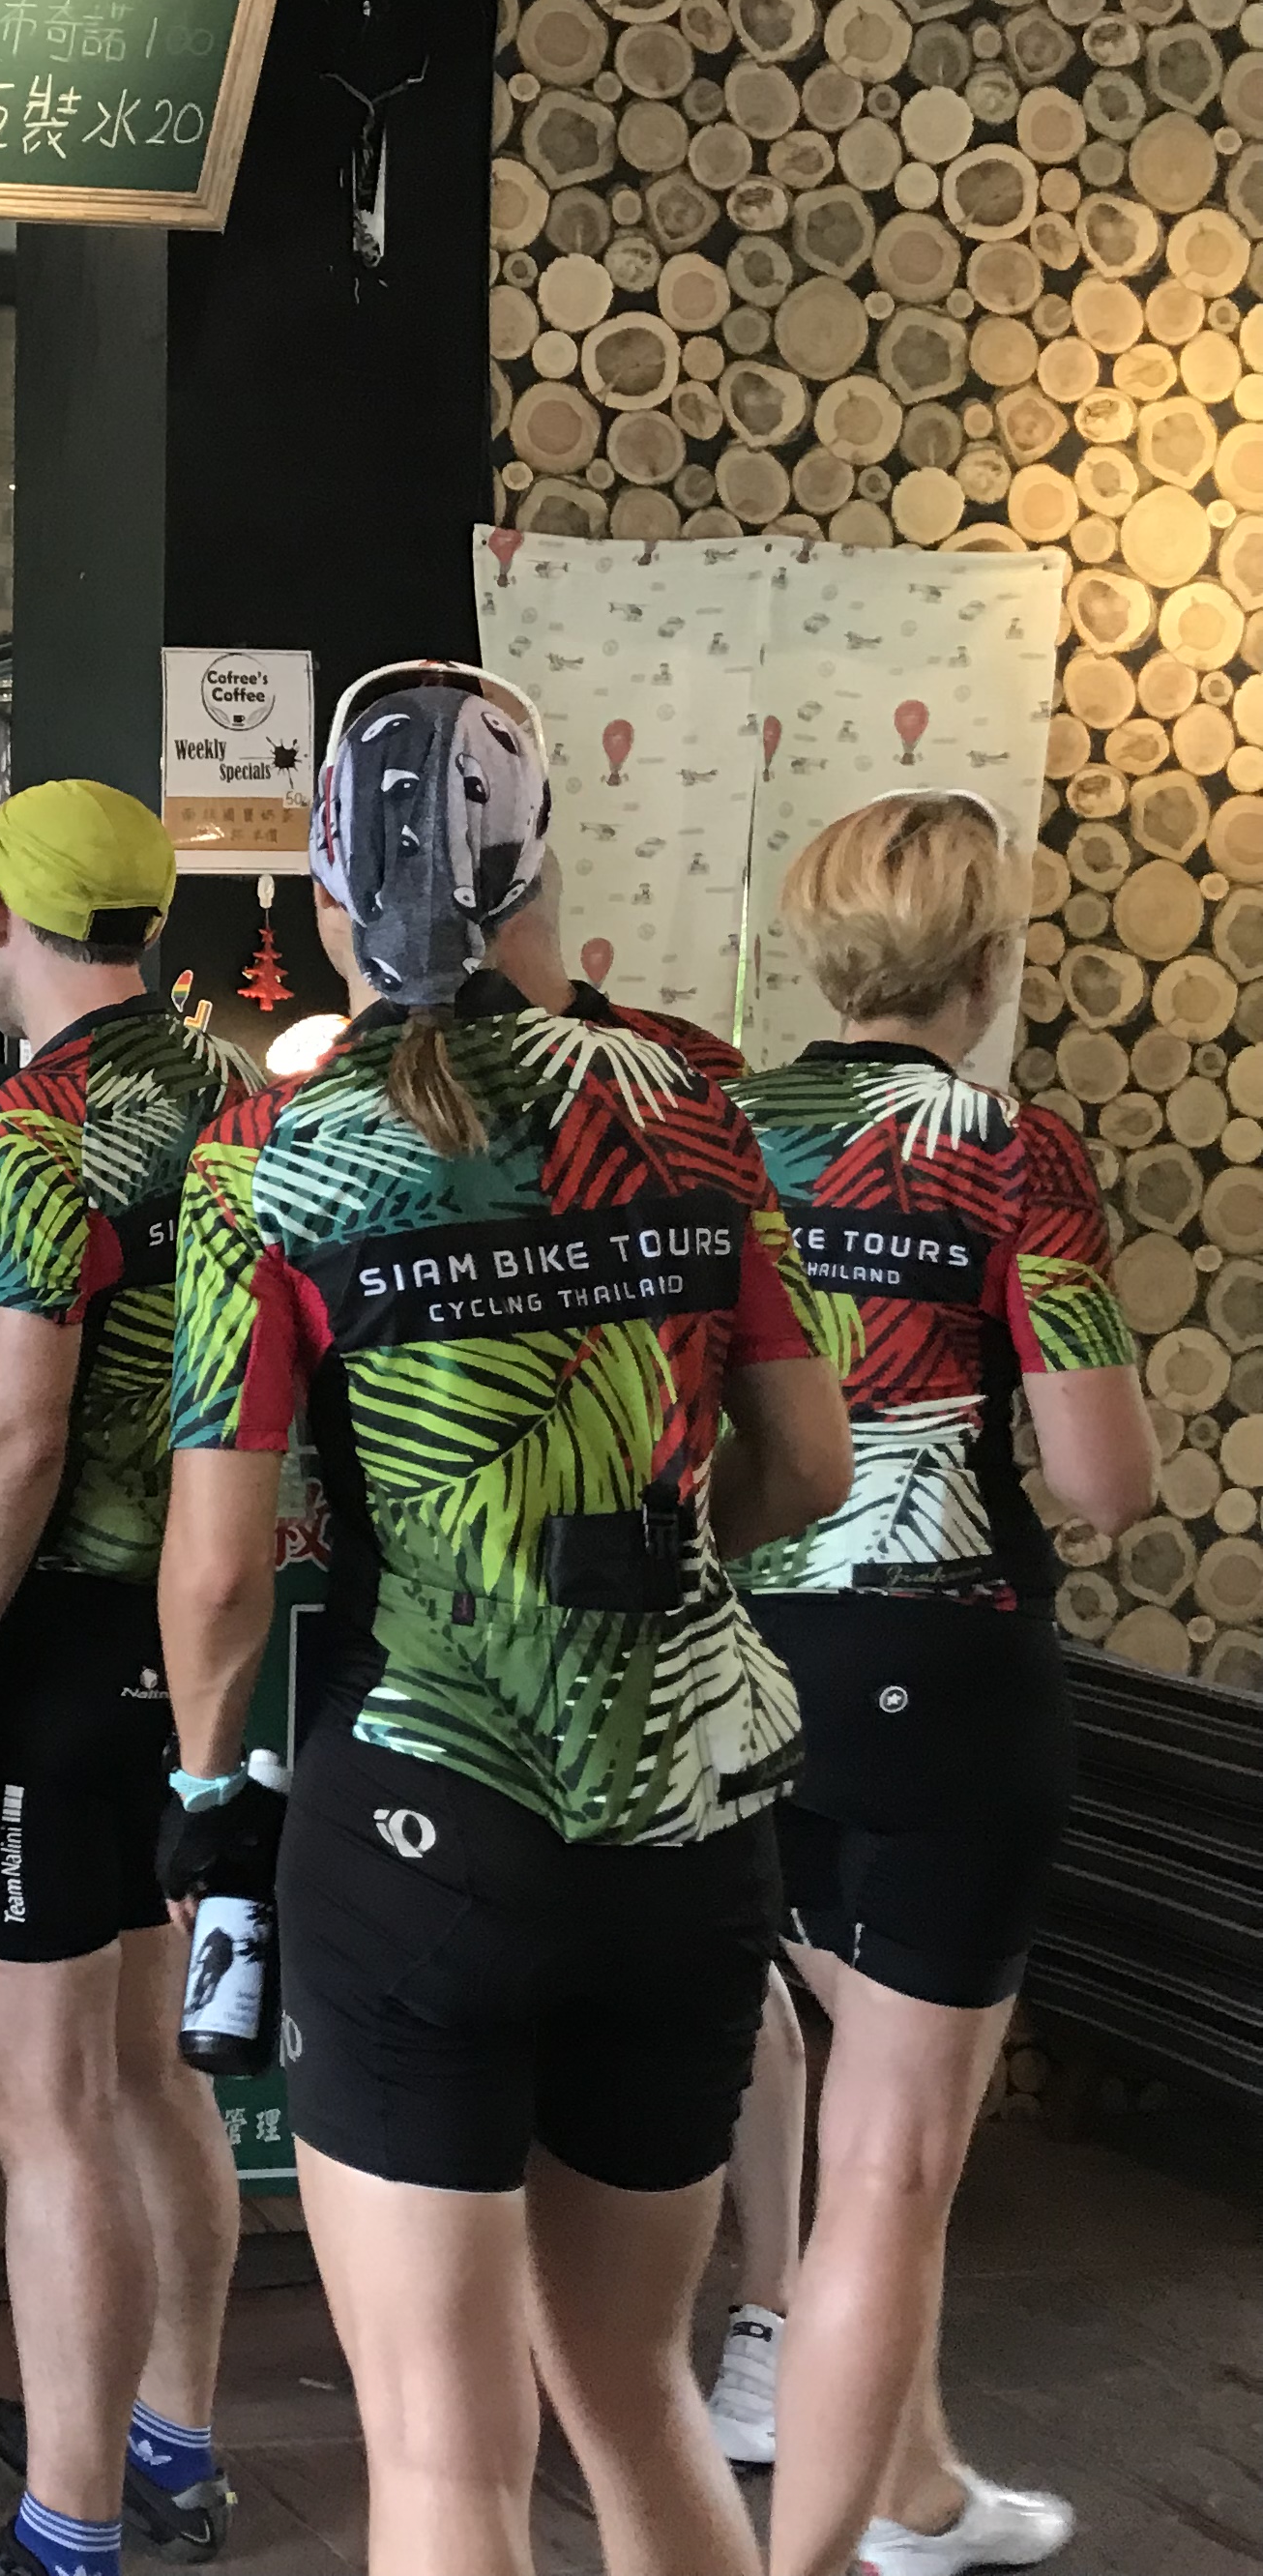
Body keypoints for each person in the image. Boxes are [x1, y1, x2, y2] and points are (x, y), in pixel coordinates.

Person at [154, 680, 854, 2576]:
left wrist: (206, 1796)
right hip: (685, 1822)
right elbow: (809, 1461)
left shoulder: (271, 1160)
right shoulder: (696, 1115)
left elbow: (216, 1569)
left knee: (447, 2459)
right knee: (633, 2390)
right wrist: (665, 1548)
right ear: (547, 867)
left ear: (322, 889)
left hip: (419, 1822)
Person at [725, 793, 1153, 2576]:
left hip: (736, 1672)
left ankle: (912, 2487)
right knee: (895, 2163)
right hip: (941, 1673)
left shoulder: (719, 1128)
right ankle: (826, 2555)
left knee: (854, 2108)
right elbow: (1104, 1478)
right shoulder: (1012, 1153)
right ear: (987, 963)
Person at [0, 781, 257, 2576]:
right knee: (148, 2072)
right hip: (192, 1631)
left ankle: (65, 2534)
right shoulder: (236, 1085)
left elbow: (24, 1440)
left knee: (49, 2109)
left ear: (0, 916)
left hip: (53, 1644)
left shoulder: (38, 1122)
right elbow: (137, 1366)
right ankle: (169, 2443)